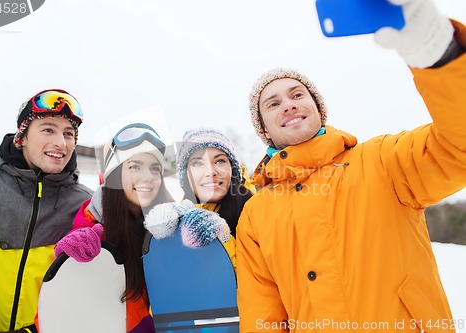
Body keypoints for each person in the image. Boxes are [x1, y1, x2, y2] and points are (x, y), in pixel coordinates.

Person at [235, 0, 466, 331]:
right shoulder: (255, 216)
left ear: (318, 109)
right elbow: (263, 318)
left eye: (297, 94)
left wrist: (439, 54)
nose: (288, 105)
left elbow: (459, 147)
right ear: (264, 129)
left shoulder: (383, 161)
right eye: (273, 103)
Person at [0, 89, 93, 333]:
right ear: (22, 136)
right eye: (48, 129)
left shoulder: (86, 205)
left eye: (69, 133)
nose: (61, 142)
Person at [50, 123, 175, 333]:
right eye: (135, 166)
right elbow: (60, 309)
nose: (147, 176)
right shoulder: (95, 224)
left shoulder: (171, 222)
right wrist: (70, 259)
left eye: (155, 168)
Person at [175, 128, 255, 265]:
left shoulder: (257, 214)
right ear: (186, 175)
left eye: (219, 161)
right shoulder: (177, 228)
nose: (211, 172)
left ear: (233, 169)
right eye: (198, 163)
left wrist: (223, 242)